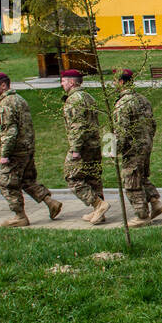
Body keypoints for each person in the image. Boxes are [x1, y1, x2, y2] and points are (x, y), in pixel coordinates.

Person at [0, 72, 62, 227]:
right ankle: (51, 202)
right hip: (27, 148)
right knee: (27, 180)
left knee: (6, 182)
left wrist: (5, 154)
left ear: (4, 85)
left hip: (15, 151)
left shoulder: (6, 104)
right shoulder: (19, 99)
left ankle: (19, 216)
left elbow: (10, 131)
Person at [113, 69, 162, 228]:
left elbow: (120, 131)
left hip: (132, 148)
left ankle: (142, 215)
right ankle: (155, 203)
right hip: (145, 144)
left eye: (114, 80)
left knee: (131, 181)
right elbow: (152, 123)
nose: (113, 84)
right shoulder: (143, 99)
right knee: (140, 176)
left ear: (121, 82)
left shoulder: (122, 103)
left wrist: (113, 150)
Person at [61, 69, 108, 224]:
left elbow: (78, 126)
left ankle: (98, 205)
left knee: (72, 177)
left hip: (83, 146)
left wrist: (75, 149)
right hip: (93, 144)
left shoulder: (74, 99)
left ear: (72, 82)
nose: (62, 84)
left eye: (64, 81)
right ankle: (98, 212)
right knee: (93, 178)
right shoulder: (88, 97)